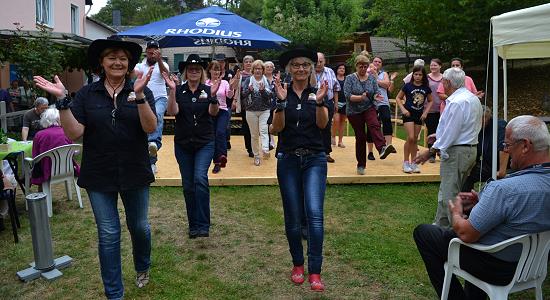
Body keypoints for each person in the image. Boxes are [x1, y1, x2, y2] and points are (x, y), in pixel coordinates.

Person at [34, 37, 157, 300]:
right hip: (99, 173)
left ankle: (142, 266)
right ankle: (114, 293)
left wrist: (139, 95)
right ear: (101, 63)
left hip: (135, 170)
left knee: (139, 227)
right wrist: (63, 102)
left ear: (129, 63)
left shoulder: (140, 90)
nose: (117, 62)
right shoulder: (88, 94)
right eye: (111, 57)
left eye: (123, 58)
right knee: (109, 233)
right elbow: (75, 131)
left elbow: (149, 127)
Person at [413, 115, 550, 300]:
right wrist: (484, 203)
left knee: (425, 233)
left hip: (497, 267)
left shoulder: (504, 189)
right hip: (533, 266)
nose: (505, 151)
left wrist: (456, 213)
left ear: (525, 145)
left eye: (507, 146)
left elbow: (466, 234)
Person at [270, 48, 328, 292]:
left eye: (306, 64)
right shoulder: (282, 94)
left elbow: (323, 125)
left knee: (314, 214)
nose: (301, 69)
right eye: (296, 65)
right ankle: (297, 264)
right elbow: (275, 129)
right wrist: (282, 103)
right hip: (288, 160)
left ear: (312, 67)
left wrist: (320, 102)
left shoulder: (319, 92)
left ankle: (315, 270)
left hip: (315, 159)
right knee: (292, 216)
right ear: (289, 69)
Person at [414, 67, 482, 228]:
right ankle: (440, 225)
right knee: (448, 190)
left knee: (449, 195)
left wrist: (431, 150)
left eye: (443, 81)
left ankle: (455, 231)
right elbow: (461, 127)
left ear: (448, 82)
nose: (442, 84)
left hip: (458, 151)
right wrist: (438, 136)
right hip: (469, 149)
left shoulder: (457, 102)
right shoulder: (472, 98)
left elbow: (452, 132)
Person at [164, 54, 220, 239]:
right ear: (186, 72)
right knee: (188, 185)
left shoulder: (207, 89)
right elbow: (172, 111)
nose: (194, 71)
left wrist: (213, 97)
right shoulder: (179, 90)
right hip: (183, 143)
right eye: (190, 69)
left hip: (204, 142)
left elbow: (213, 113)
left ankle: (204, 224)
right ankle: (193, 224)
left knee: (199, 179)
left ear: (202, 72)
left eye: (197, 69)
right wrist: (172, 91)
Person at [344, 55, 396, 175]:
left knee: (374, 124)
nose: (363, 68)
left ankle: (382, 148)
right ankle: (361, 164)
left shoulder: (372, 78)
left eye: (365, 66)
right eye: (361, 66)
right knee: (361, 137)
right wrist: (360, 97)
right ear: (356, 66)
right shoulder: (350, 78)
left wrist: (376, 96)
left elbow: (376, 91)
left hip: (369, 107)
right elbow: (348, 96)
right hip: (354, 111)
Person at [134, 40, 169, 174]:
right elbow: (133, 73)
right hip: (145, 99)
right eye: (150, 49)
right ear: (146, 51)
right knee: (142, 130)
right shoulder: (140, 65)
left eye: (155, 49)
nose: (152, 52)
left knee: (158, 116)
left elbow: (166, 74)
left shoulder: (163, 63)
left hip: (160, 98)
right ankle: (149, 161)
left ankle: (154, 142)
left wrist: (159, 60)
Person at [461, 106, 509, 192]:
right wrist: (469, 168)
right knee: (466, 175)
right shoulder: (477, 128)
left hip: (506, 166)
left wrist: (502, 171)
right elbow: (476, 149)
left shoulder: (499, 125)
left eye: (483, 118)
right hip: (488, 164)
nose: (479, 121)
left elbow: (504, 147)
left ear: (488, 116)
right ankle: (466, 201)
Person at [396, 65, 433, 173]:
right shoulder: (408, 86)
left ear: (423, 76)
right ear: (413, 75)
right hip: (408, 114)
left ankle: (414, 163)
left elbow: (431, 100)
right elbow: (398, 97)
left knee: (415, 138)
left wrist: (426, 112)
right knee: (411, 137)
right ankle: (405, 162)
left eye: (420, 74)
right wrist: (403, 109)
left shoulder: (426, 88)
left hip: (419, 115)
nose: (417, 76)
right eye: (415, 74)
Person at [30, 107, 80, 187]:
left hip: (46, 172)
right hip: (68, 169)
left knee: (34, 164)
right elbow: (73, 151)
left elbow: (35, 156)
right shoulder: (66, 132)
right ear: (58, 119)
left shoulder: (39, 135)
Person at [241, 60, 273, 166]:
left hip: (264, 110)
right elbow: (243, 94)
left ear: (263, 70)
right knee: (254, 135)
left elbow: (270, 96)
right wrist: (249, 90)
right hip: (251, 111)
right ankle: (256, 156)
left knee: (264, 130)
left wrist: (263, 91)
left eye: (260, 69)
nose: (258, 70)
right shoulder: (248, 80)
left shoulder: (266, 81)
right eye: (256, 69)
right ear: (253, 70)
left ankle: (265, 149)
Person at [206, 60, 233, 174]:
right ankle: (215, 162)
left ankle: (222, 157)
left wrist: (231, 87)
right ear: (210, 71)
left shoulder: (225, 83)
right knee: (212, 136)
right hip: (209, 112)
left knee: (220, 133)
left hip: (222, 110)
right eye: (214, 69)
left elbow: (229, 96)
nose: (216, 72)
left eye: (218, 69)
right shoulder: (206, 83)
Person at [367, 57, 394, 160]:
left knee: (387, 119)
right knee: (372, 125)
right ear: (371, 63)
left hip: (383, 102)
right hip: (371, 103)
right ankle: (370, 151)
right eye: (375, 61)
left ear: (381, 64)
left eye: (379, 62)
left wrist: (375, 78)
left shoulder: (384, 74)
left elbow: (387, 85)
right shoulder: (367, 73)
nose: (377, 63)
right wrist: (378, 81)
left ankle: (389, 145)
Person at [315, 52, 340, 163]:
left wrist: (336, 103)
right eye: (317, 61)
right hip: (313, 102)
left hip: (328, 101)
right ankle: (314, 152)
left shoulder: (330, 72)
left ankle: (326, 153)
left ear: (324, 61)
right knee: (314, 127)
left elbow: (335, 88)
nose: (319, 64)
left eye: (321, 61)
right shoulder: (309, 72)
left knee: (326, 127)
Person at [234, 55, 254, 157]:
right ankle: (249, 148)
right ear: (243, 64)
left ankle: (256, 146)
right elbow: (234, 88)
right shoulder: (240, 75)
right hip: (244, 105)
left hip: (257, 106)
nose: (248, 63)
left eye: (250, 61)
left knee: (256, 127)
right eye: (246, 61)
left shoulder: (257, 74)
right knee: (247, 127)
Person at [426, 59, 444, 163]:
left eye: (435, 65)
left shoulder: (444, 77)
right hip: (430, 108)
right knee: (431, 130)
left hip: (442, 107)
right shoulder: (427, 78)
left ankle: (440, 151)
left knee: (441, 130)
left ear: (440, 66)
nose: (433, 67)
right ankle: (431, 153)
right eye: (431, 65)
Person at [332, 63, 347, 148]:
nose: (342, 70)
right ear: (337, 70)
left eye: (343, 68)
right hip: (336, 102)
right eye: (340, 68)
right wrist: (335, 103)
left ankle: (340, 141)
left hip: (345, 102)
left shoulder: (347, 79)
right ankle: (333, 136)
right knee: (336, 120)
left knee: (342, 122)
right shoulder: (334, 79)